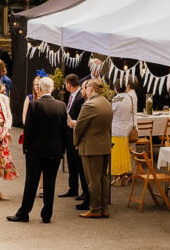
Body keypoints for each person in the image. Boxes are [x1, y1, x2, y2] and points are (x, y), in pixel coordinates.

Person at [7, 77, 68, 224]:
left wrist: (26, 148)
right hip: (54, 151)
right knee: (50, 183)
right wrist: (62, 150)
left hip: (36, 152)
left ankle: (24, 213)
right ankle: (47, 214)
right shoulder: (61, 106)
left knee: (31, 183)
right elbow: (64, 131)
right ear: (52, 89)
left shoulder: (35, 105)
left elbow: (28, 129)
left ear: (39, 89)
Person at [73, 78, 113, 218]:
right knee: (104, 178)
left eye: (86, 87)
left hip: (91, 147)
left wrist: (76, 142)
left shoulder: (89, 105)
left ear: (91, 88)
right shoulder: (107, 103)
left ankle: (95, 209)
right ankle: (104, 208)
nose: (84, 90)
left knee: (93, 180)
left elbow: (79, 127)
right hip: (105, 145)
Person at [60, 74, 85, 204]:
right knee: (71, 161)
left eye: (66, 84)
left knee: (79, 163)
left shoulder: (81, 97)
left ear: (69, 84)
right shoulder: (71, 95)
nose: (65, 86)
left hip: (76, 132)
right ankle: (73, 187)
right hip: (69, 133)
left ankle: (83, 191)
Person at [110, 76, 139, 183]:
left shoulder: (116, 99)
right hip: (126, 130)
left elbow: (110, 114)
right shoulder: (130, 97)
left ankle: (117, 176)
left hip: (116, 130)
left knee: (116, 155)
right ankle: (125, 175)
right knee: (124, 154)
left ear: (115, 88)